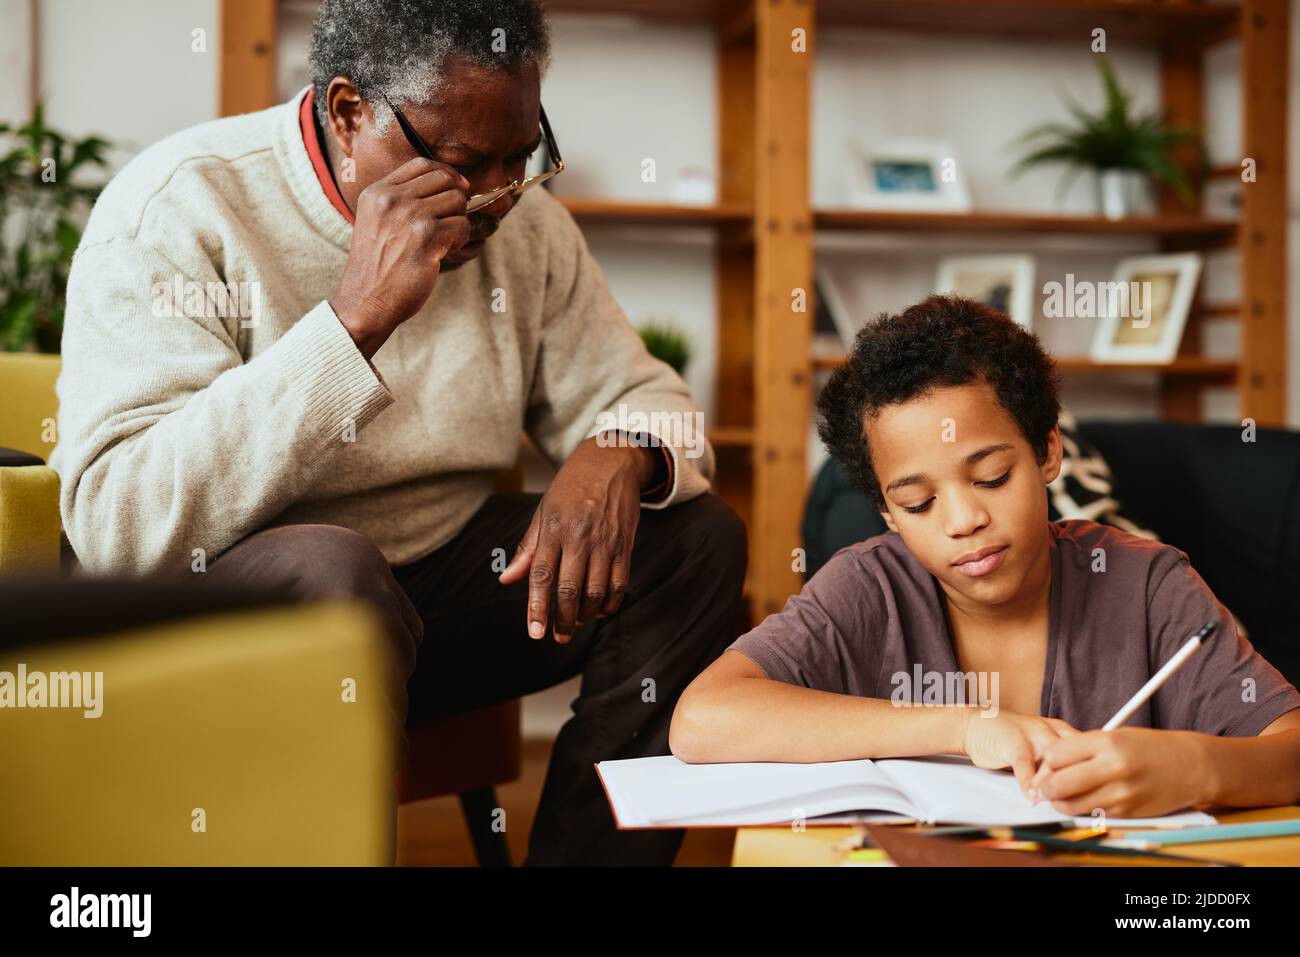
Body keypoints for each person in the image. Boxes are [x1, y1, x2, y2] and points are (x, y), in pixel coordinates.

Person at [51, 0, 746, 865]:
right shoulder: (182, 206)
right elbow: (121, 528)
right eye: (462, 163)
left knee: (695, 540)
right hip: (230, 616)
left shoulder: (526, 230)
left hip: (431, 603)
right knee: (334, 568)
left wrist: (624, 450)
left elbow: (647, 395)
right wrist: (351, 323)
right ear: (349, 114)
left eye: (519, 157)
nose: (497, 197)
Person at [671, 295, 1300, 820]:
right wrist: (966, 727)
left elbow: (1290, 749)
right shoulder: (869, 588)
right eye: (917, 504)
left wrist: (1195, 768)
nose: (963, 521)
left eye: (993, 477)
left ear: (1047, 451)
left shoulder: (1144, 585)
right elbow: (702, 720)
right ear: (888, 514)